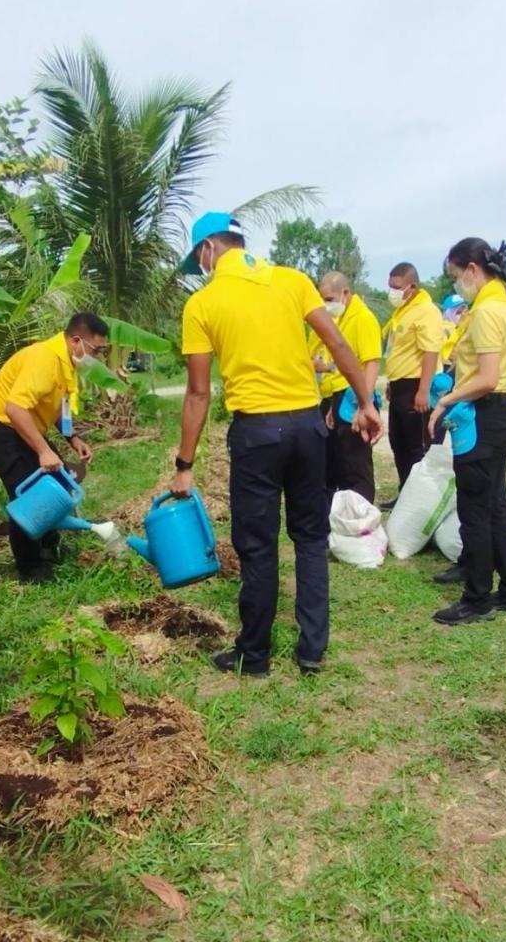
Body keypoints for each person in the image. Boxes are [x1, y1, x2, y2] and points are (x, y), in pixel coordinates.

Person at [171, 212, 382, 676]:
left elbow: (198, 392)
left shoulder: (202, 304)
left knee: (258, 545)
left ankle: (254, 655)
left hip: (257, 434)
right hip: (308, 427)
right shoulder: (292, 280)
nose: (201, 268)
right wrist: (366, 403)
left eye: (199, 259)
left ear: (209, 249)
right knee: (310, 537)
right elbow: (338, 344)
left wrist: (185, 464)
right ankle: (312, 650)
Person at [428, 238, 506, 625]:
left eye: (455, 276)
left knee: (475, 512)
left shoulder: (487, 312)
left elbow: (487, 378)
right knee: (495, 506)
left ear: (472, 269)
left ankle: (477, 599)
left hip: (484, 415)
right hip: (503, 412)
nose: (456, 284)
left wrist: (446, 400)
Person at [0, 312, 109, 583]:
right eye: (96, 350)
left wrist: (73, 438)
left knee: (59, 480)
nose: (98, 357)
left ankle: (49, 545)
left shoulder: (66, 362)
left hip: (21, 426)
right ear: (76, 340)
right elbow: (14, 408)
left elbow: (59, 408)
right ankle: (31, 568)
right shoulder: (44, 359)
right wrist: (43, 451)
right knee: (31, 494)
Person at [310, 270, 382, 503]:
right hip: (338, 396)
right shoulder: (338, 319)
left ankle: (361, 516)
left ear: (345, 293)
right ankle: (339, 514)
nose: (325, 305)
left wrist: (364, 405)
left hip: (353, 397)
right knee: (336, 462)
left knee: (355, 466)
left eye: (329, 299)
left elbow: (371, 363)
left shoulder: (363, 318)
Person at [380, 262, 444, 506]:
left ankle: (420, 502)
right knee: (399, 444)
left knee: (417, 446)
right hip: (399, 385)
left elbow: (430, 352)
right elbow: (398, 350)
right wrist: (391, 381)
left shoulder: (426, 311)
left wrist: (423, 390)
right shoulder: (403, 311)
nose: (392, 292)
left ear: (412, 286)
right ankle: (405, 495)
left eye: (396, 287)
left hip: (416, 385)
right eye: (390, 286)